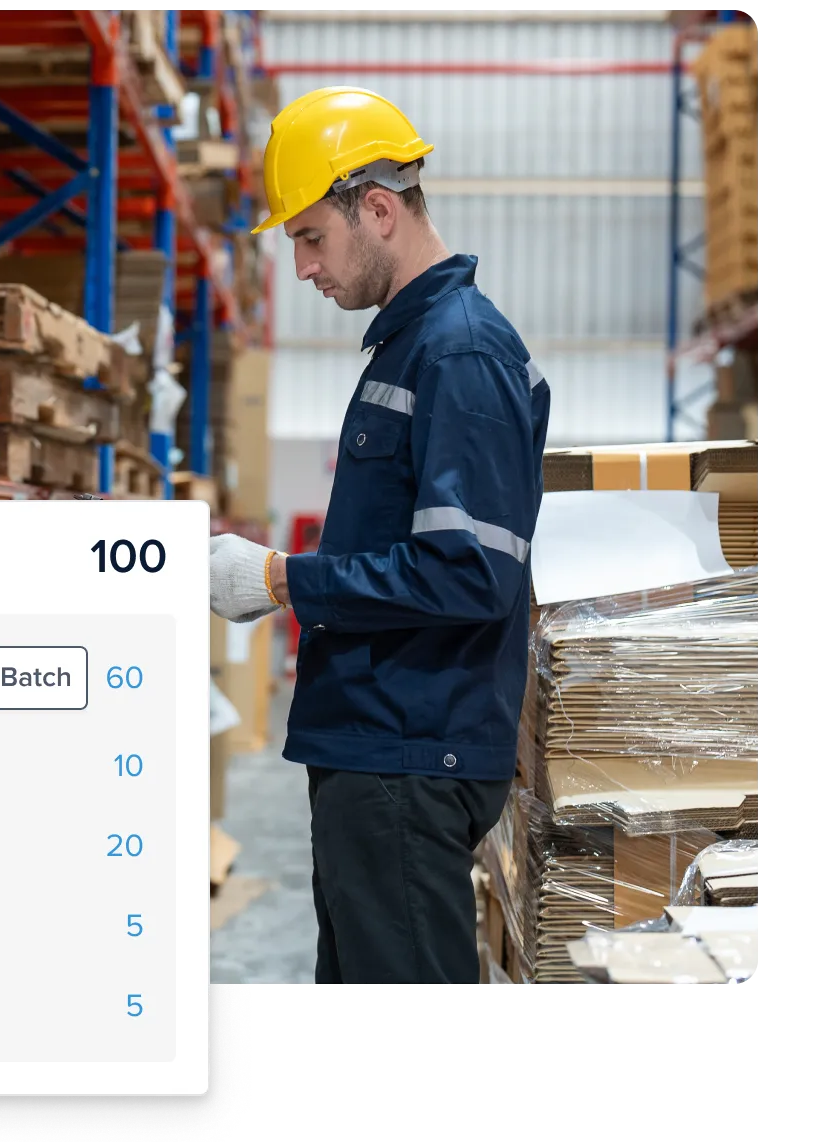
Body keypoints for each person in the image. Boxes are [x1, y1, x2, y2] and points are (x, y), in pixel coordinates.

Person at [208, 87, 551, 985]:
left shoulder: (459, 352)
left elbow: (470, 573)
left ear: (380, 209)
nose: (305, 269)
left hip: (409, 752)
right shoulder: (411, 348)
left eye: (311, 238)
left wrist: (283, 579)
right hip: (381, 747)